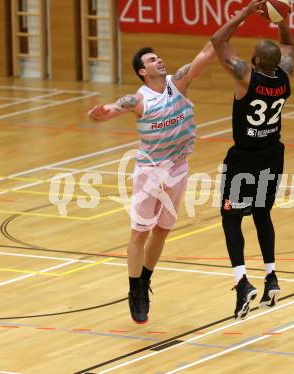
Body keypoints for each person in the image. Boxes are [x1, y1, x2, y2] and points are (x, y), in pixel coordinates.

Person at [88, 42, 216, 324]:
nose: (159, 60)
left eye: (158, 57)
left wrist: (238, 19)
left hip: (178, 169)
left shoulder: (179, 83)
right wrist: (100, 114)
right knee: (139, 234)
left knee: (162, 232)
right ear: (142, 71)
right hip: (150, 173)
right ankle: (135, 291)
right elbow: (113, 108)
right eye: (151, 59)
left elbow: (207, 52)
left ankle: (145, 279)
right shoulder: (140, 99)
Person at [211, 0, 294, 320]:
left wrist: (245, 13)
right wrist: (281, 19)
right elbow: (287, 44)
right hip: (272, 156)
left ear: (255, 60)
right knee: (262, 213)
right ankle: (271, 275)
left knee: (230, 218)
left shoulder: (246, 75)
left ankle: (242, 282)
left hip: (244, 158)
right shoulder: (284, 77)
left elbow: (218, 41)